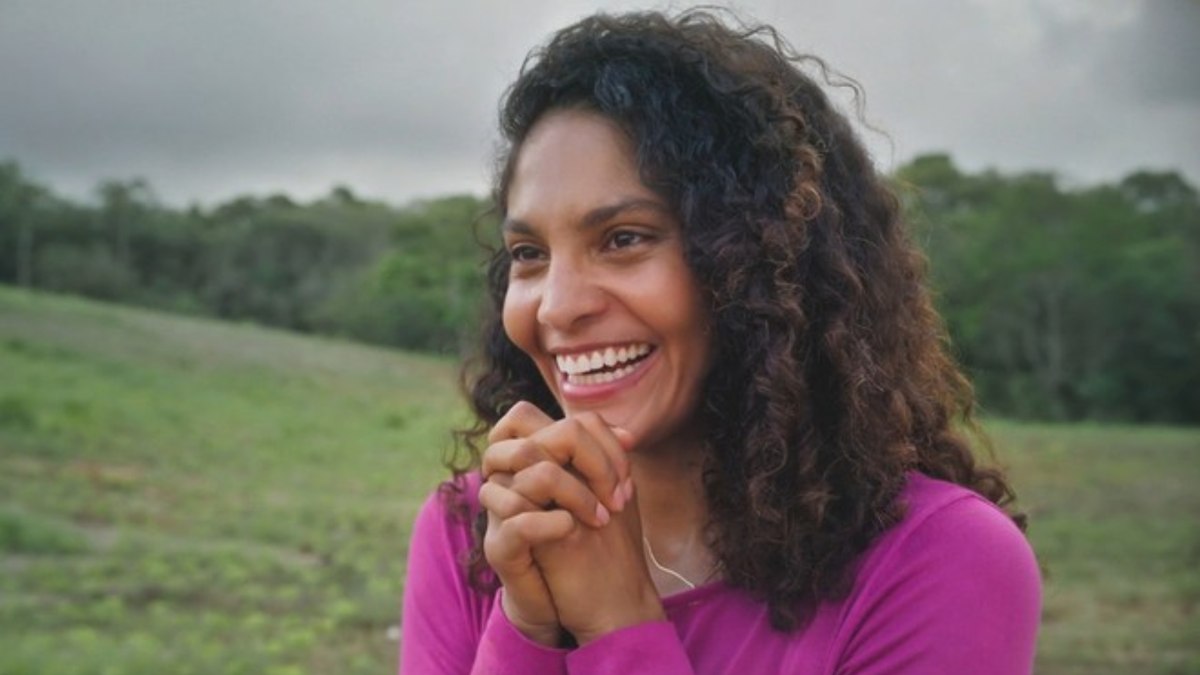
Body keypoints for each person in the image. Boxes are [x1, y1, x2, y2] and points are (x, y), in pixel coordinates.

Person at [400, 9, 1041, 674]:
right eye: (529, 253)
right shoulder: (476, 530)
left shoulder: (939, 560)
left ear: (761, 257)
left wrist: (616, 623)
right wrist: (526, 625)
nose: (558, 306)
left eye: (624, 239)